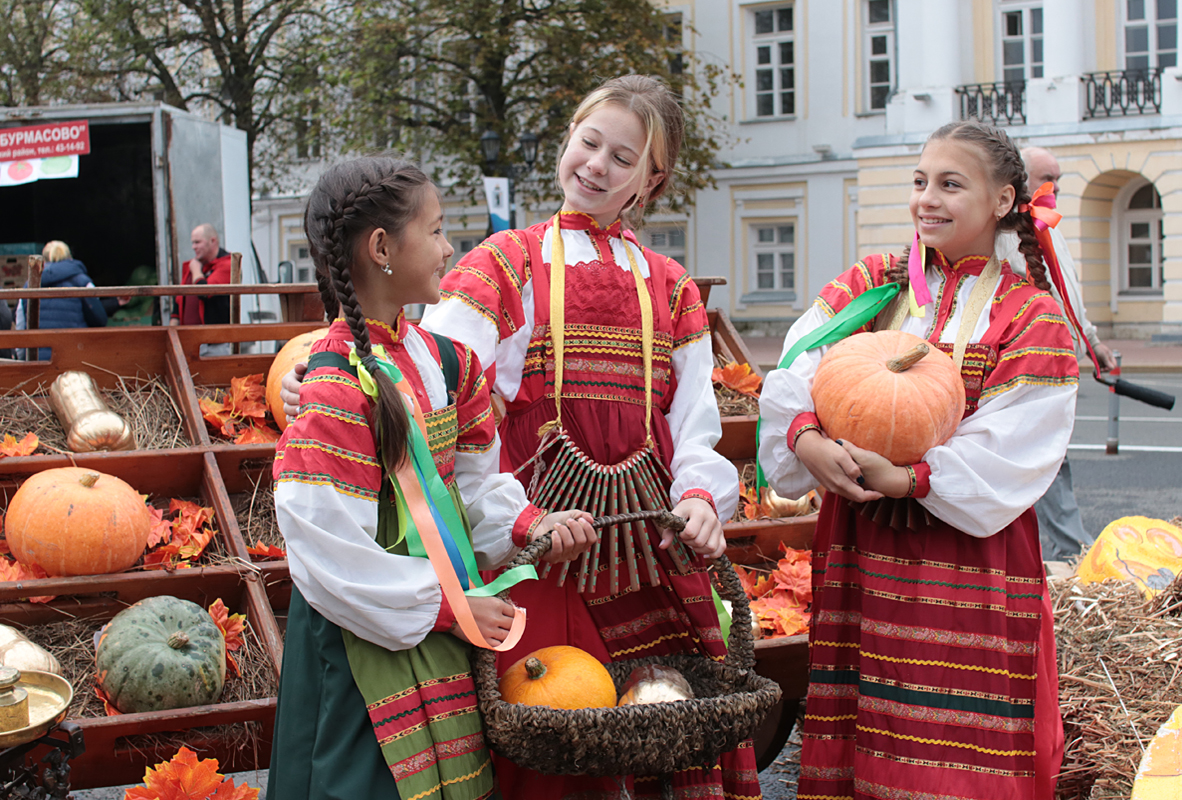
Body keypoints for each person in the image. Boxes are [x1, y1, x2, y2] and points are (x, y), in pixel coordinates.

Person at [282, 75, 761, 799]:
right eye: (588, 142)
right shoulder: (506, 264)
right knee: (548, 731)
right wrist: (306, 375)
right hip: (537, 554)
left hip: (645, 545)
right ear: (568, 139)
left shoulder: (671, 288)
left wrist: (699, 494)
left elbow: (692, 420)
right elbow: (408, 375)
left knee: (668, 714)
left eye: (622, 158)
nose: (596, 165)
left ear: (651, 180)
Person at [759, 121, 1075, 799]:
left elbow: (1020, 443)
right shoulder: (874, 284)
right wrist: (808, 439)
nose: (927, 199)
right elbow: (795, 369)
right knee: (867, 724)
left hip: (966, 562)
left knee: (957, 748)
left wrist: (909, 478)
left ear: (1002, 200)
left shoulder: (1028, 318)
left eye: (950, 184)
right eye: (920, 181)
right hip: (863, 549)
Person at [265, 156, 596, 800]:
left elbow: (472, 482)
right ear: (383, 248)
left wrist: (531, 525)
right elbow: (329, 549)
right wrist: (446, 606)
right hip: (364, 634)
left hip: (438, 623)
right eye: (439, 230)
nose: (451, 248)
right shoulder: (333, 387)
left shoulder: (445, 362)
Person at [995, 145, 1115, 562]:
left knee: (1048, 458)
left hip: (1059, 363)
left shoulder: (1050, 225)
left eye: (1058, 177)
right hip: (1028, 368)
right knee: (1044, 460)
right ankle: (1067, 549)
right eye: (1049, 177)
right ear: (1020, 182)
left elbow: (1070, 294)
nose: (1057, 186)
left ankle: (1057, 547)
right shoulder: (1003, 238)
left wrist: (1093, 343)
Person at [15, 241, 107, 360]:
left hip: (38, 364)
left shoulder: (30, 285)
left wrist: (23, 360)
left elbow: (20, 325)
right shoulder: (82, 282)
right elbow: (99, 319)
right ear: (69, 257)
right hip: (75, 360)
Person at [170, 223, 232, 355]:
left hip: (214, 344)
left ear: (212, 241)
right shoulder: (195, 265)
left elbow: (205, 292)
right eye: (193, 243)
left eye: (197, 242)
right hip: (188, 343)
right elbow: (178, 303)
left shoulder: (227, 264)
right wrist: (171, 337)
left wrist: (196, 271)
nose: (194, 247)